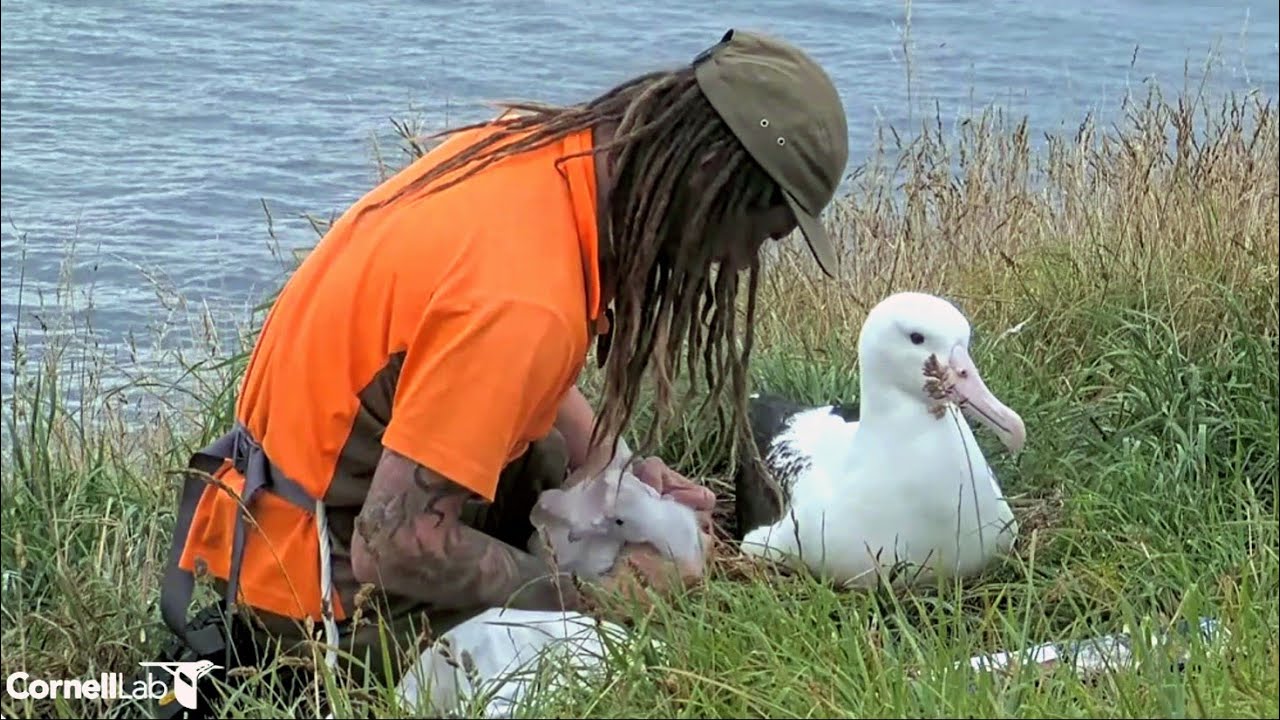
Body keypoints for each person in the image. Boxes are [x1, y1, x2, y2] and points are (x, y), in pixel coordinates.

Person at [155, 26, 849, 702]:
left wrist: (616, 468)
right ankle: (298, 665)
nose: (742, 262)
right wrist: (593, 598)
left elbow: (496, 367)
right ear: (707, 179)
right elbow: (392, 544)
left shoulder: (542, 156)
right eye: (761, 234)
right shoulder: (523, 300)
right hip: (316, 593)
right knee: (626, 671)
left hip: (275, 510)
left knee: (548, 451)